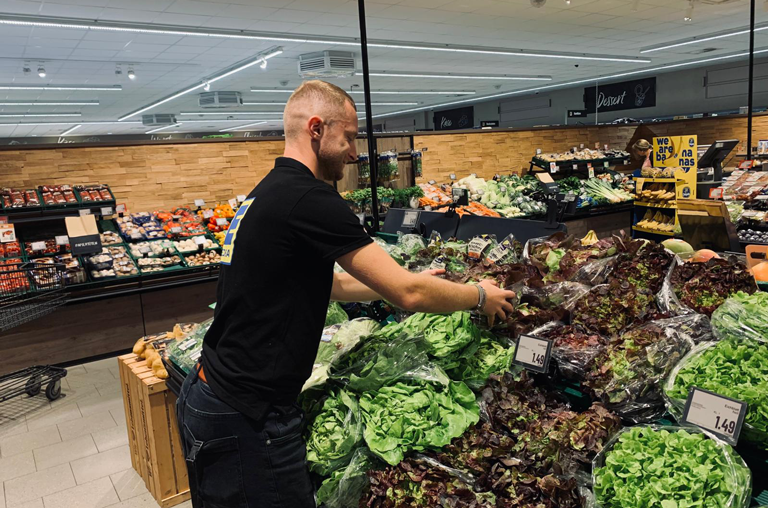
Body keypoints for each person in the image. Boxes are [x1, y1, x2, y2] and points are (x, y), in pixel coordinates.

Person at [176, 80, 516, 508]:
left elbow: (332, 283)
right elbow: (410, 294)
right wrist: (478, 295)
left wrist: (397, 280)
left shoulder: (267, 191)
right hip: (248, 414)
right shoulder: (309, 197)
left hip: (213, 395)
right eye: (350, 136)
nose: (355, 152)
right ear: (317, 128)